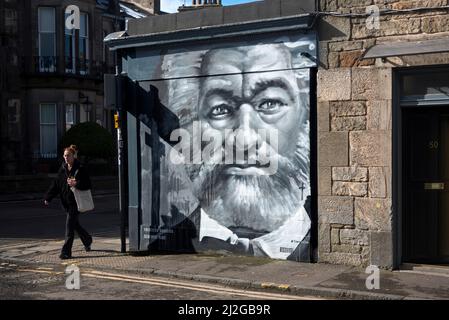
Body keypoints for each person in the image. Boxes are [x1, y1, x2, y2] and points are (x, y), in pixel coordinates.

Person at [159, 39, 313, 261]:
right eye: (220, 109)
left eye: (270, 103)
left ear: (304, 115)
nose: (244, 140)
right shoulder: (168, 237)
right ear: (192, 120)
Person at [44, 145, 93, 259]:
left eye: (68, 156)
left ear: (73, 156)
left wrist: (76, 183)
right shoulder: (62, 168)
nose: (66, 158)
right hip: (66, 202)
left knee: (69, 227)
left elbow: (88, 184)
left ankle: (66, 252)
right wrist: (48, 197)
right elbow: (56, 184)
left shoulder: (80, 168)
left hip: (76, 202)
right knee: (74, 224)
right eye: (65, 156)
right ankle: (87, 239)